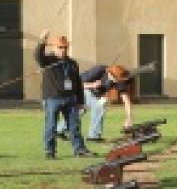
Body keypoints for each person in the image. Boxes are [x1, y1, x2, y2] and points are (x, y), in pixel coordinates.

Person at [35, 30, 93, 159]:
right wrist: (42, 41)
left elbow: (78, 83)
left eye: (65, 47)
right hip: (52, 98)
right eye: (60, 47)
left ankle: (79, 149)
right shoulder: (48, 60)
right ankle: (50, 151)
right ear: (54, 48)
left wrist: (81, 101)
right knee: (51, 125)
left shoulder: (72, 63)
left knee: (74, 126)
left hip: (70, 99)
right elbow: (38, 56)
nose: (63, 50)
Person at [57, 64, 134, 142]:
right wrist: (92, 85)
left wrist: (129, 118)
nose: (117, 82)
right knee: (98, 106)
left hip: (94, 94)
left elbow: (126, 99)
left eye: (119, 81)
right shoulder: (98, 70)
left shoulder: (119, 79)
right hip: (81, 90)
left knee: (79, 112)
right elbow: (76, 83)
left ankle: (58, 130)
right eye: (116, 80)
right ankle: (94, 136)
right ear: (110, 74)